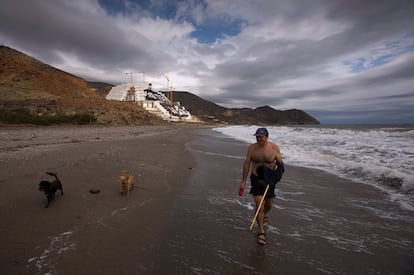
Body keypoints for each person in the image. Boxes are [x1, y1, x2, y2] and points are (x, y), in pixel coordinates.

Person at [239, 127, 284, 245]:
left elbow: (280, 165)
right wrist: (243, 181)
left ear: (267, 137)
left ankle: (264, 216)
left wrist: (276, 173)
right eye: (257, 137)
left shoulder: (274, 148)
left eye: (261, 137)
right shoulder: (252, 148)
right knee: (259, 204)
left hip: (269, 179)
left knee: (269, 204)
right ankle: (261, 231)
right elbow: (247, 163)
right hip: (256, 178)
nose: (259, 139)